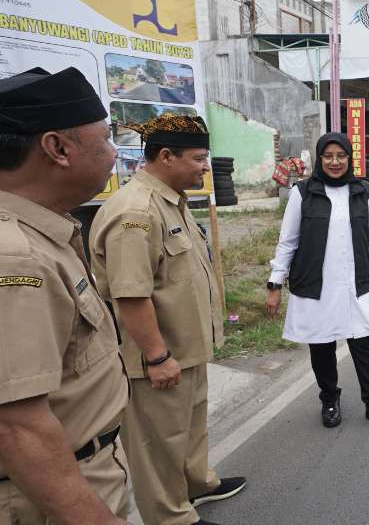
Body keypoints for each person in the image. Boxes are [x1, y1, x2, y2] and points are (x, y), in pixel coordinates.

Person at [89, 112, 246, 525]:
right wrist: (157, 357)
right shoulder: (135, 213)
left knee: (190, 428)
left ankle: (197, 484)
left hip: (187, 347)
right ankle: (171, 517)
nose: (205, 167)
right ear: (166, 156)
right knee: (159, 443)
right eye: (197, 159)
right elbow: (131, 295)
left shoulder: (171, 202)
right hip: (156, 358)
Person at [0, 67, 130, 525]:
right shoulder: (15, 259)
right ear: (57, 148)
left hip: (84, 469)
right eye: (106, 138)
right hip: (54, 497)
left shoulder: (46, 232)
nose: (114, 153)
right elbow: (17, 426)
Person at [265, 133, 369, 430]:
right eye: (328, 156)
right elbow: (287, 242)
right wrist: (275, 285)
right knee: (322, 345)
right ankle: (330, 400)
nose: (335, 162)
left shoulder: (362, 191)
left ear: (349, 158)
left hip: (356, 283)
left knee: (364, 343)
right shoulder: (303, 193)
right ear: (320, 158)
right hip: (318, 285)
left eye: (340, 156)